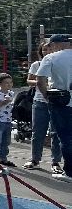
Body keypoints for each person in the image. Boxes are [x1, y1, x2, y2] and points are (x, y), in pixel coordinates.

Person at [35, 32, 72, 181]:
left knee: (66, 137)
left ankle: (69, 172)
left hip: (62, 101)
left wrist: (46, 96)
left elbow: (40, 80)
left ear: (54, 44)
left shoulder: (51, 58)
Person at [23, 41, 63, 173]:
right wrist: (40, 81)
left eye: (50, 49)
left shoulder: (59, 63)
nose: (47, 52)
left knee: (55, 133)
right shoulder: (37, 64)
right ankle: (35, 159)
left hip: (56, 102)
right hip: (40, 102)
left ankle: (56, 162)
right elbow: (29, 80)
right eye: (44, 49)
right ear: (41, 51)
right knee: (38, 131)